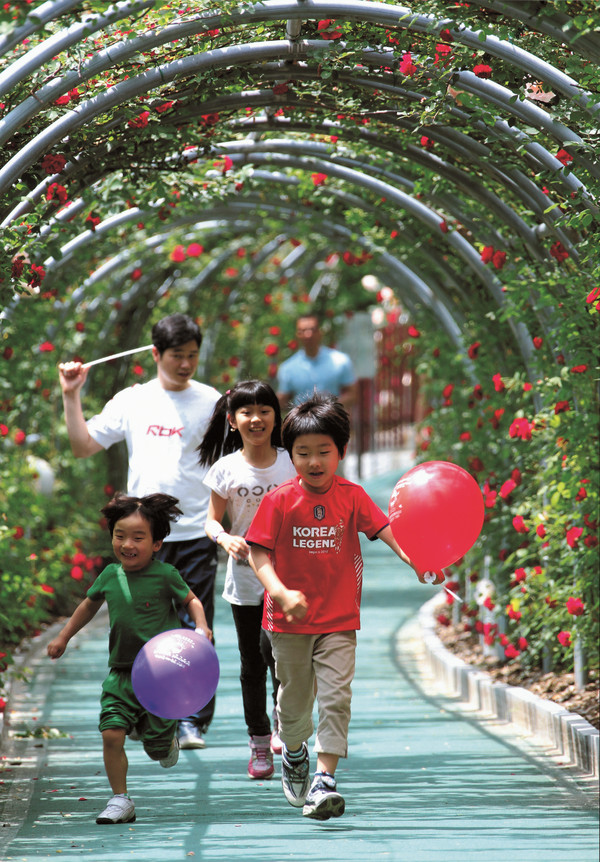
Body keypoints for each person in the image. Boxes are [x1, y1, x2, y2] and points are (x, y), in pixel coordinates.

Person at [246, 393, 441, 821]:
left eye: (323, 452)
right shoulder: (279, 500)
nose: (314, 462)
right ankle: (294, 752)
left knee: (336, 698)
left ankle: (324, 779)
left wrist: (415, 561)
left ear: (341, 452)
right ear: (290, 454)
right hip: (288, 623)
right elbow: (257, 554)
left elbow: (386, 530)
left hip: (338, 620)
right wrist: (279, 592)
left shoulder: (352, 496)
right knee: (294, 703)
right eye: (302, 453)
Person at [58, 313, 220, 751]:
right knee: (139, 626)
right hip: (142, 540)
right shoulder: (133, 401)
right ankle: (147, 710)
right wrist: (71, 396)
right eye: (176, 356)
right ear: (155, 354)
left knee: (195, 625)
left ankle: (190, 719)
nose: (185, 364)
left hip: (195, 531)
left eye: (192, 356)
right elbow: (82, 445)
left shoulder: (212, 402)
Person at [47, 492, 211, 825]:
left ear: (156, 544)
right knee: (111, 733)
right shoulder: (110, 575)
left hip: (160, 679)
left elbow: (192, 600)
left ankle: (162, 740)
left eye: (138, 537)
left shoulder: (165, 575)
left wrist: (202, 627)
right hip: (121, 674)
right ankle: (120, 799)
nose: (127, 544)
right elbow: (88, 606)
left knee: (157, 748)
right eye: (120, 535)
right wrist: (63, 636)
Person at [198, 380, 296, 780]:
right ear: (232, 421)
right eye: (246, 412)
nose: (256, 418)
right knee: (252, 661)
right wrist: (224, 537)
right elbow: (210, 520)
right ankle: (258, 741)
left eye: (264, 410)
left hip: (289, 581)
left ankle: (282, 725)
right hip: (245, 583)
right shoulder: (226, 468)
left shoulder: (293, 463)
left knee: (283, 660)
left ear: (277, 416)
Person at [276, 312, 358, 411]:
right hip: (302, 424)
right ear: (297, 334)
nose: (308, 335)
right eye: (303, 330)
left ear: (320, 332)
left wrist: (328, 409)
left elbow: (352, 394)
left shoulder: (340, 361)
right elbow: (282, 400)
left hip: (332, 422)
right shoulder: (288, 368)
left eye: (312, 329)